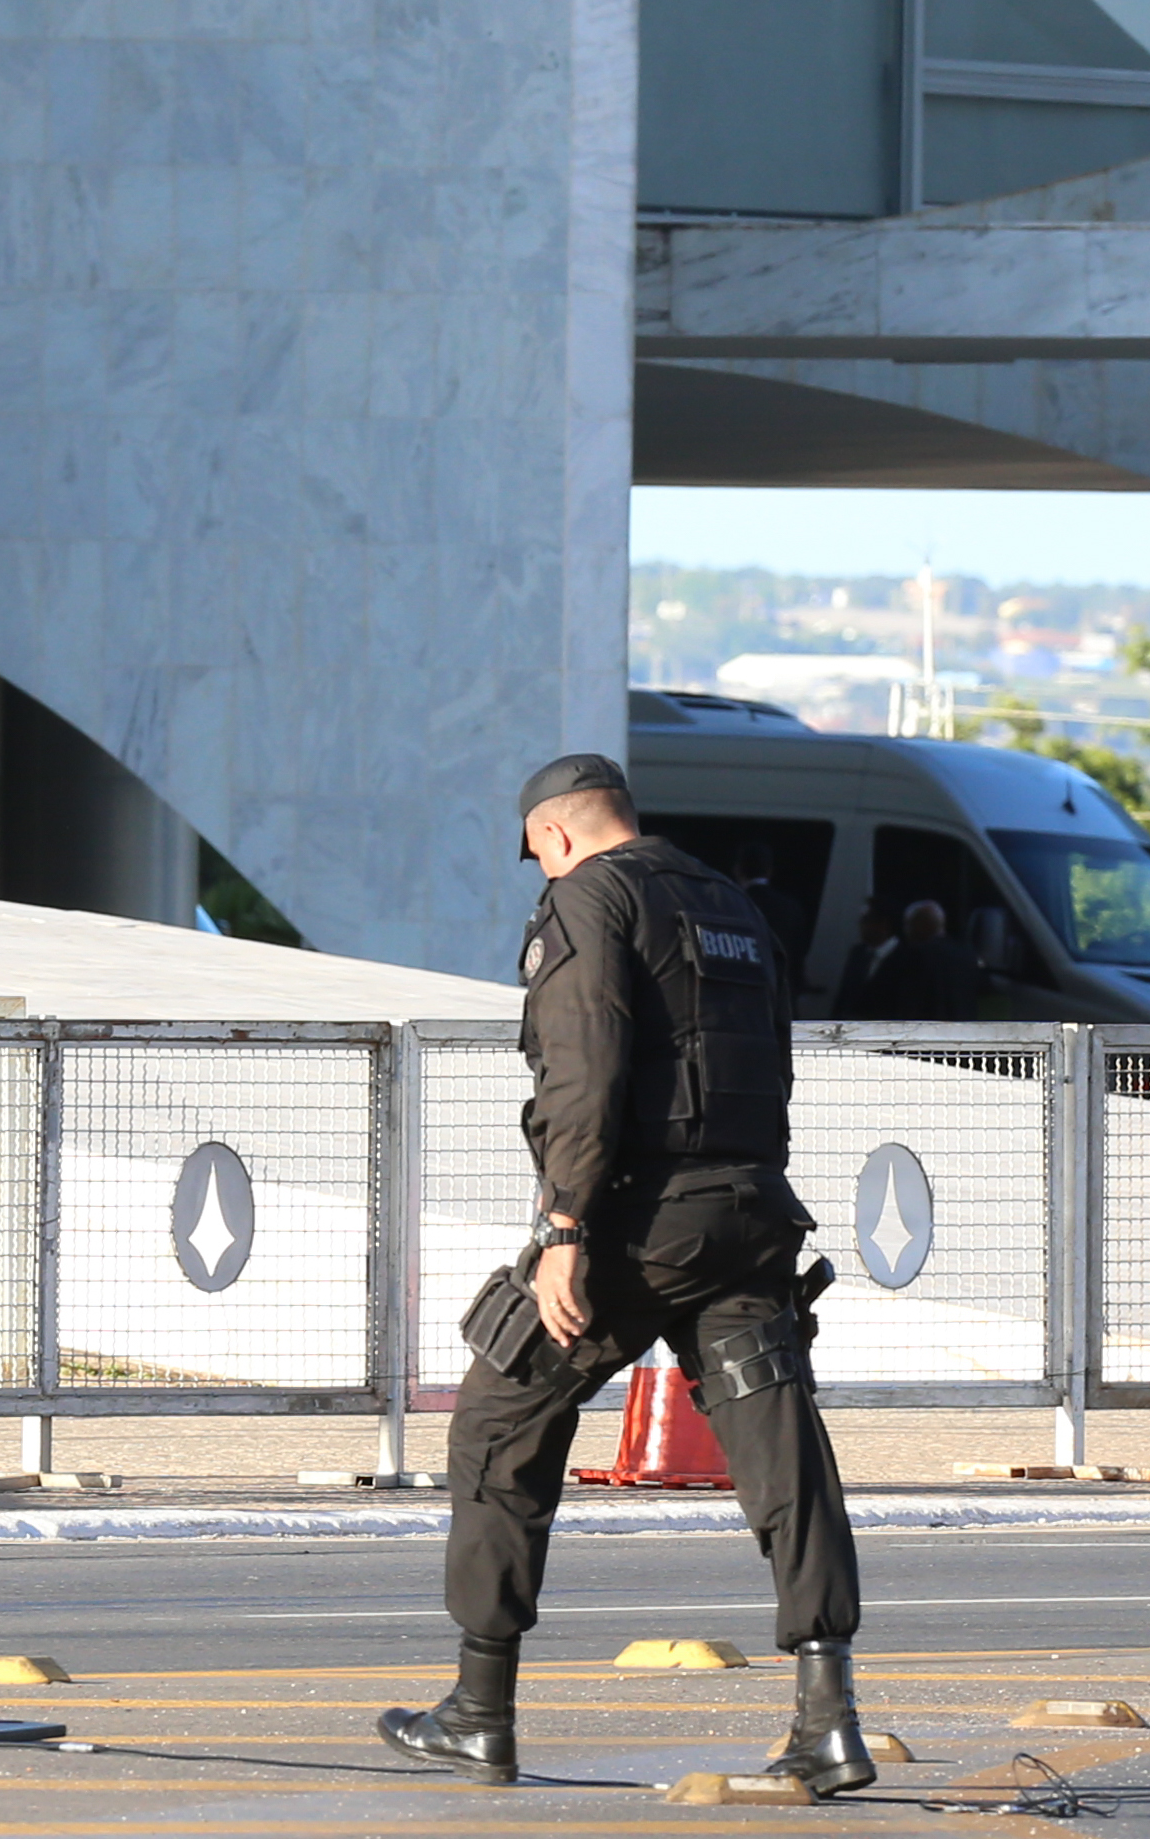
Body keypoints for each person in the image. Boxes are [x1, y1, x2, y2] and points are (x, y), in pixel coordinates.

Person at [379, 753, 871, 1794]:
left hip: (636, 1222)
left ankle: (477, 1708)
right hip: (747, 1212)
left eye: (536, 857)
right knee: (781, 1449)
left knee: (497, 1418)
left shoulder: (585, 898)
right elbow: (769, 1061)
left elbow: (585, 1061)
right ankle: (826, 1719)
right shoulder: (727, 902)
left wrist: (563, 1223)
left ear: (552, 836)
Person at [865, 898, 984, 1021]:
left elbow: (904, 1001)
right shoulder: (967, 955)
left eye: (908, 924)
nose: (906, 930)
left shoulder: (914, 956)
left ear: (920, 924)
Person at [732, 841, 816, 982]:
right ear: (769, 870)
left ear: (737, 869)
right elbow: (796, 961)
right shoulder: (791, 907)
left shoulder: (732, 904)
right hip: (778, 990)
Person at [827, 898, 897, 1020]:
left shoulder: (906, 957)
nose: (861, 925)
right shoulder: (858, 953)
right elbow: (844, 996)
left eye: (866, 920)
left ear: (883, 923)